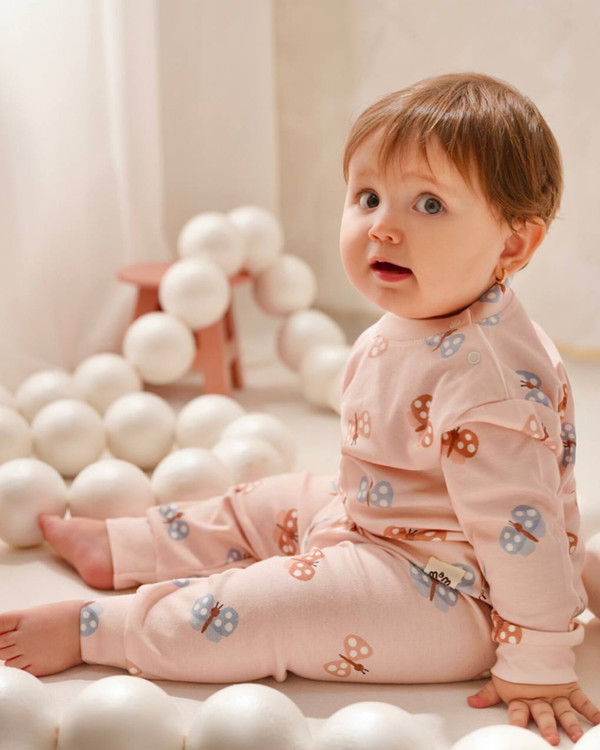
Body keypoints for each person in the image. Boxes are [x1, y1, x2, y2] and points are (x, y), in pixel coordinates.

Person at [1, 72, 599, 746]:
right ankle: (131, 545)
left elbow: (524, 537)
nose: (383, 227)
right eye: (368, 197)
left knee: (276, 605)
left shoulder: (490, 386)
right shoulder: (428, 311)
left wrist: (538, 664)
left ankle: (98, 629)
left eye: (429, 204)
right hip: (374, 521)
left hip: (452, 589)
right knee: (267, 500)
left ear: (512, 244)